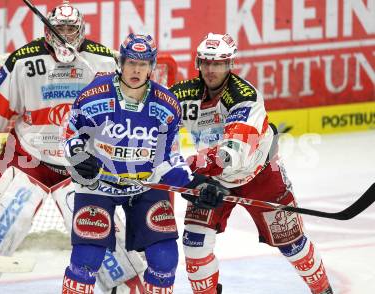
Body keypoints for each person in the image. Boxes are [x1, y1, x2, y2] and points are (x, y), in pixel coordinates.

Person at [0, 1, 119, 293]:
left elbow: (122, 118)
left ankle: (125, 285)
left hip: (82, 165)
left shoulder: (105, 61)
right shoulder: (22, 61)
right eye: (59, 30)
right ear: (47, 31)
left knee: (105, 238)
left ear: (81, 30)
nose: (65, 36)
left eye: (71, 30)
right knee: (2, 224)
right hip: (29, 160)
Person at [169, 33, 334, 294]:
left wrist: (191, 172)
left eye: (219, 63)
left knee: (292, 243)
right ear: (198, 63)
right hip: (212, 180)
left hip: (261, 176)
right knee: (194, 245)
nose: (211, 70)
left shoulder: (245, 97)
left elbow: (233, 153)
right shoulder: (182, 94)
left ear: (230, 64)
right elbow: (155, 123)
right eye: (206, 62)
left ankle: (323, 288)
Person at [61, 33, 225, 294]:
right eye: (131, 63)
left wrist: (194, 184)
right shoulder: (93, 97)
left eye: (144, 63)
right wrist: (79, 156)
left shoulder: (167, 106)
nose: (137, 69)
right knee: (86, 259)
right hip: (98, 185)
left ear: (152, 66)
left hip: (144, 186)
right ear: (120, 63)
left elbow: (166, 158)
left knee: (165, 259)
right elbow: (69, 133)